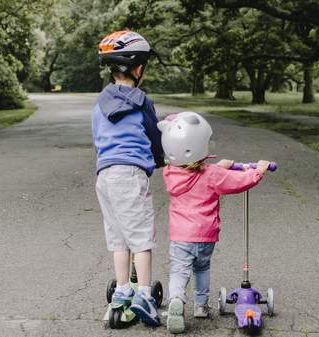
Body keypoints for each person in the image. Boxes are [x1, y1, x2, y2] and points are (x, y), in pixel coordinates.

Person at [157, 112, 270, 333]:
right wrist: (258, 171)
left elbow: (194, 171)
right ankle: (200, 306)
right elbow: (238, 181)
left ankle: (176, 300)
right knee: (202, 268)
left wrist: (219, 166)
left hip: (180, 236)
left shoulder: (170, 173)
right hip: (205, 235)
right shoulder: (212, 175)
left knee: (179, 271)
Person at [92, 30, 164, 327]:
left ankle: (122, 290)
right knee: (141, 238)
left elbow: (98, 138)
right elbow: (154, 135)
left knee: (118, 238)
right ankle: (144, 294)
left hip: (105, 175)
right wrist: (160, 159)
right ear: (138, 69)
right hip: (130, 175)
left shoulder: (99, 103)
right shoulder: (141, 101)